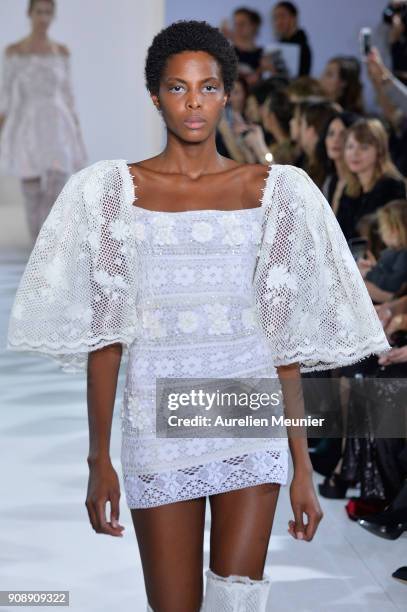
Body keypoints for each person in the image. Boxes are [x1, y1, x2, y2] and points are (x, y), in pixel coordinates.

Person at [6, 20, 392, 612]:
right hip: (158, 418)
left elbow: (282, 341)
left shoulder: (275, 191)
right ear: (155, 94)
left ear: (228, 93)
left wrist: (300, 467)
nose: (194, 103)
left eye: (208, 87)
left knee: (238, 603)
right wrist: (97, 459)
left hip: (247, 406)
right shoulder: (112, 193)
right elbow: (106, 340)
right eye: (178, 88)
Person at [0, 0, 86, 244]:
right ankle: (35, 244)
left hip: (58, 124)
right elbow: (5, 95)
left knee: (57, 184)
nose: (43, 17)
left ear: (53, 15)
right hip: (28, 125)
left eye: (48, 12)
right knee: (31, 187)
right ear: (30, 13)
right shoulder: (14, 51)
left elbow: (69, 96)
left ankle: (48, 246)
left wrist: (77, 135)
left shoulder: (61, 51)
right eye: (39, 11)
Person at [336, 118, 406, 241]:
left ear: (379, 150)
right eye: (350, 147)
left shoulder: (392, 187)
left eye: (364, 147)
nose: (355, 153)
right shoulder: (348, 190)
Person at [220, 7, 263, 86]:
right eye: (236, 24)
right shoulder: (226, 53)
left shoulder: (264, 54)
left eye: (242, 24)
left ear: (253, 26)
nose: (238, 28)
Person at [271, 1, 312, 76]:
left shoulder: (302, 46)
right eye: (275, 18)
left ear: (294, 18)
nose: (278, 22)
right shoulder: (277, 46)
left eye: (282, 16)